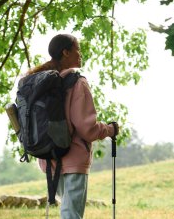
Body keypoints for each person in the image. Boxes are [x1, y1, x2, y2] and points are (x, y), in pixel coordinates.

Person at [27, 34, 119, 219]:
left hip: (48, 156)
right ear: (66, 52)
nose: (80, 53)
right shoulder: (77, 82)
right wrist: (110, 130)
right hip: (73, 157)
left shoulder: (38, 80)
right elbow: (87, 128)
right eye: (77, 49)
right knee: (72, 214)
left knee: (67, 212)